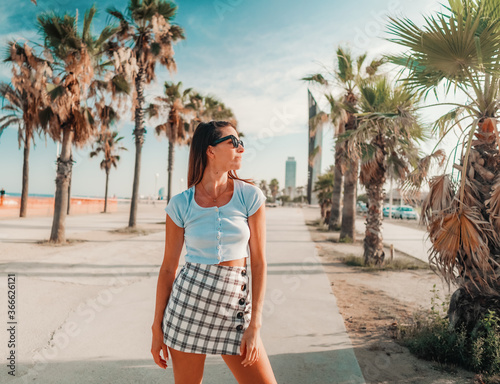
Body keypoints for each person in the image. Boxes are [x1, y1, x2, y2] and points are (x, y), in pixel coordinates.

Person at [151, 121, 278, 384]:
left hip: (234, 314)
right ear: (210, 150)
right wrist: (156, 328)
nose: (241, 148)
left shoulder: (250, 196)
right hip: (187, 311)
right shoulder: (180, 204)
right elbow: (168, 268)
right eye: (234, 142)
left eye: (241, 142)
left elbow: (259, 262)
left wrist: (255, 323)